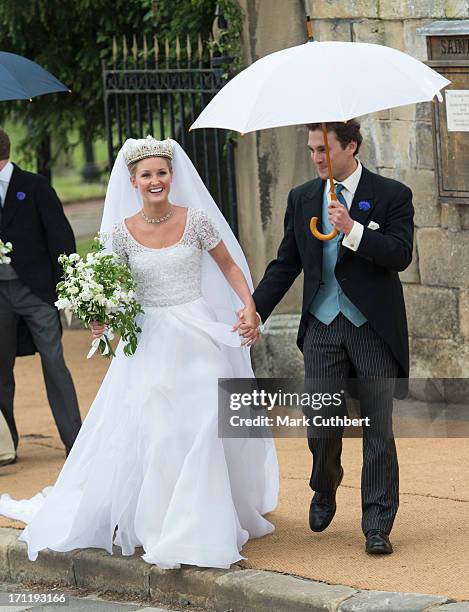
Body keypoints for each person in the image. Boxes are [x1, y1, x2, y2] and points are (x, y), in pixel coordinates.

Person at [0, 136, 278, 570]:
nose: (155, 180)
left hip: (197, 334)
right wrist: (101, 318)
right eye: (146, 174)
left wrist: (249, 304)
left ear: (172, 176)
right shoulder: (119, 233)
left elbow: (228, 266)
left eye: (161, 173)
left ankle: (205, 525)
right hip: (150, 341)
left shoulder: (197, 221)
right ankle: (166, 523)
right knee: (164, 433)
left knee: (206, 421)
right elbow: (111, 292)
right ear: (133, 181)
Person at [237, 120, 414, 555]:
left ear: (350, 146)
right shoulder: (301, 199)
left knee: (377, 427)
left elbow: (400, 254)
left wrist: (353, 229)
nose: (316, 157)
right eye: (312, 149)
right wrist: (256, 308)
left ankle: (377, 524)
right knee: (321, 424)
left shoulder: (392, 194)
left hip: (372, 327)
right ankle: (325, 484)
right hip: (321, 325)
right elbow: (286, 264)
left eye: (323, 148)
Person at [0, 127, 81, 461]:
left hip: (36, 293)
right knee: (0, 369)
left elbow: (61, 240)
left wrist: (63, 292)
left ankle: (75, 440)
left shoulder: (34, 187)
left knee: (54, 361)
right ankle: (5, 445)